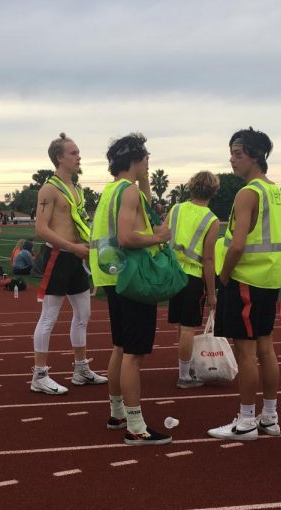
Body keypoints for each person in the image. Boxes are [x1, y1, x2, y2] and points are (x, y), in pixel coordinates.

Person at [207, 127, 281, 442]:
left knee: (246, 353)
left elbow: (238, 243)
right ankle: (269, 417)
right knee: (266, 349)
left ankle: (245, 421)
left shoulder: (248, 192)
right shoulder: (277, 193)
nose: (231, 160)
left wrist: (224, 275)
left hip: (245, 280)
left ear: (255, 156)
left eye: (237, 154)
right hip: (268, 282)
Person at [89, 133, 171, 444]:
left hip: (113, 277)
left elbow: (143, 210)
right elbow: (127, 236)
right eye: (146, 158)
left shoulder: (113, 190)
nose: (149, 162)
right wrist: (159, 238)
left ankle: (118, 412)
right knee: (134, 355)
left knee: (120, 348)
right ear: (135, 160)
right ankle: (136, 427)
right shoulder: (128, 193)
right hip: (133, 279)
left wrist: (145, 180)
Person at [30, 132, 107, 394]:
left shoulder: (77, 189)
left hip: (77, 258)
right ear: (59, 158)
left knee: (83, 314)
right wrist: (72, 247)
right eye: (73, 153)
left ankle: (80, 369)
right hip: (59, 256)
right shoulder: (49, 189)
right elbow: (40, 228)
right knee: (49, 316)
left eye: (78, 152)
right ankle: (39, 375)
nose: (78, 156)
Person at [165, 170, 220, 388]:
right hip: (193, 277)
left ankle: (184, 368)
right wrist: (212, 294)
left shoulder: (176, 209)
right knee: (189, 327)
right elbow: (208, 259)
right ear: (213, 191)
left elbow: (162, 234)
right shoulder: (211, 219)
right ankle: (185, 375)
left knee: (181, 324)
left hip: (172, 273)